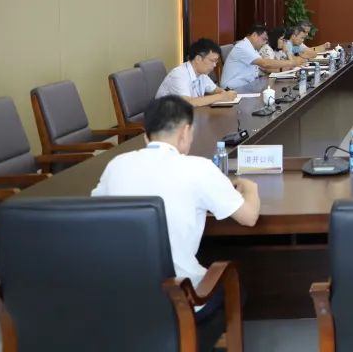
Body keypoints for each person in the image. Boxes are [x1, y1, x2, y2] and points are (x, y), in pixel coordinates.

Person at [92, 96, 260, 338]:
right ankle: (186, 341)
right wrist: (251, 189)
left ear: (146, 136)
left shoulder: (117, 165)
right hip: (179, 299)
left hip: (121, 295)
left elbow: (94, 213)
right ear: (185, 132)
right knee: (236, 289)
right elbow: (249, 217)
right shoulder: (199, 168)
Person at [156, 38, 238, 108]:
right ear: (198, 59)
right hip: (166, 118)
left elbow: (215, 90)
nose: (215, 65)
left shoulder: (202, 74)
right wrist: (221, 96)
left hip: (187, 115)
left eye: (216, 61)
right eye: (212, 61)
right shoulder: (179, 75)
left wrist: (225, 93)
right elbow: (189, 102)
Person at [220, 24, 298, 90]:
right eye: (263, 39)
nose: (264, 43)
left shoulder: (252, 48)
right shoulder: (243, 47)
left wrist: (282, 69)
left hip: (247, 86)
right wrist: (289, 63)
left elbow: (264, 68)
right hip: (232, 89)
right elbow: (265, 63)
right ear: (254, 35)